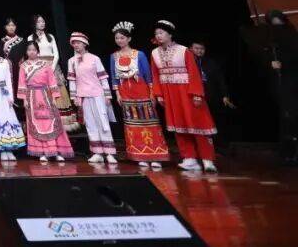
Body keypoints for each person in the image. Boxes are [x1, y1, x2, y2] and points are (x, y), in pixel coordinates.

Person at [151, 21, 218, 172]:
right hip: (170, 93)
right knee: (179, 126)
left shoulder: (184, 51)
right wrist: (158, 94)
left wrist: (197, 94)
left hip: (187, 92)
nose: (158, 36)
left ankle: (207, 160)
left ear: (170, 34)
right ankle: (189, 158)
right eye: (156, 33)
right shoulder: (154, 53)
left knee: (198, 125)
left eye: (161, 33)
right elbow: (155, 75)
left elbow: (194, 72)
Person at [110, 22, 169, 168]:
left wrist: (152, 93)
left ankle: (156, 155)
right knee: (131, 124)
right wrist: (117, 94)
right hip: (125, 93)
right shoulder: (114, 56)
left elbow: (148, 75)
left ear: (129, 39)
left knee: (150, 122)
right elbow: (114, 77)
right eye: (117, 38)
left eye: (122, 38)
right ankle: (139, 154)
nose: (119, 40)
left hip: (142, 91)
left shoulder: (139, 54)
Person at [17, 40, 74, 162]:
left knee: (52, 122)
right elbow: (22, 83)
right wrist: (24, 100)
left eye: (34, 50)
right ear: (26, 52)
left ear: (38, 51)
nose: (31, 52)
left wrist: (54, 96)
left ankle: (56, 150)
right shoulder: (23, 66)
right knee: (37, 124)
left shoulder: (45, 64)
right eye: (29, 50)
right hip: (31, 96)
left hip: (46, 95)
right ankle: (42, 152)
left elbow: (52, 81)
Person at [68, 32, 117, 164]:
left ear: (85, 44)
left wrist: (107, 95)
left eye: (78, 42)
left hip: (97, 94)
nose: (76, 45)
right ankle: (97, 152)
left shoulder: (95, 58)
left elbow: (103, 77)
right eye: (74, 43)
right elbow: (72, 80)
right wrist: (74, 97)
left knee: (102, 122)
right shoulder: (71, 61)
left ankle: (109, 153)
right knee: (90, 124)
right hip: (83, 95)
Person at [30, 15, 79, 133]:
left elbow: (56, 54)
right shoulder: (31, 38)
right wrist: (39, 68)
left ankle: (63, 123)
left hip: (52, 66)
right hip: (38, 67)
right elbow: (31, 54)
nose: (42, 23)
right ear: (34, 24)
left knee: (58, 92)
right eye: (39, 22)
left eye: (43, 21)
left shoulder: (50, 37)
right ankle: (47, 123)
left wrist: (51, 69)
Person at [190, 39, 237, 152]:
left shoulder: (211, 63)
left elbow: (220, 80)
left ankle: (218, 146)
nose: (199, 51)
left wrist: (225, 95)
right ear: (191, 49)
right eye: (196, 48)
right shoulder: (187, 63)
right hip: (194, 99)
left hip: (211, 97)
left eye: (202, 49)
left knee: (215, 121)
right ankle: (197, 147)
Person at [267, 9, 298, 164]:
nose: (276, 26)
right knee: (286, 117)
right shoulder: (271, 38)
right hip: (283, 83)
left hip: (293, 80)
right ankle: (288, 152)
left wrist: (283, 64)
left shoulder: (292, 34)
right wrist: (271, 63)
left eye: (278, 22)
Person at [0, 19, 27, 96]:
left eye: (13, 25)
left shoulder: (22, 41)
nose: (11, 27)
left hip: (20, 69)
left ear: (16, 27)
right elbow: (1, 58)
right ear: (5, 27)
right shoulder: (2, 42)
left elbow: (25, 56)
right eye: (9, 25)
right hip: (8, 70)